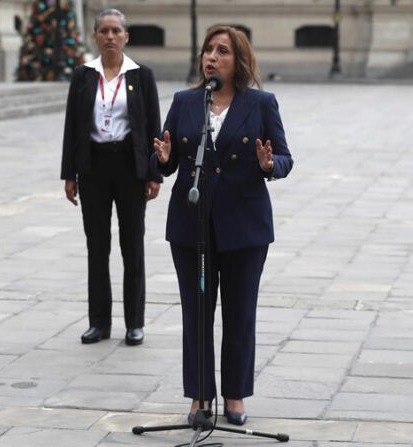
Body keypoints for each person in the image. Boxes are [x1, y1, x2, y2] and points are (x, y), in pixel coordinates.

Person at [152, 26, 293, 425]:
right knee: (196, 314)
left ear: (239, 60)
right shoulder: (185, 102)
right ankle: (199, 397)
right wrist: (161, 159)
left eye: (222, 51)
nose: (212, 57)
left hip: (244, 228)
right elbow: (166, 162)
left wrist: (270, 166)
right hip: (191, 226)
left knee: (239, 313)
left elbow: (284, 157)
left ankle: (235, 396)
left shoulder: (261, 104)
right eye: (208, 50)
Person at [60, 9, 161, 346]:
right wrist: (69, 174)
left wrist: (154, 173)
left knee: (132, 246)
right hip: (94, 167)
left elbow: (151, 128)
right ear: (95, 36)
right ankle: (99, 323)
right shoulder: (84, 75)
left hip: (130, 167)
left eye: (116, 30)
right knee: (97, 247)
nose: (110, 36)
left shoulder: (141, 76)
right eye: (103, 30)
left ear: (126, 36)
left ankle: (135, 323)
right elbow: (73, 127)